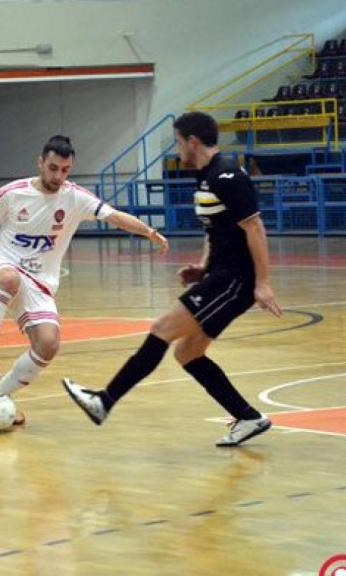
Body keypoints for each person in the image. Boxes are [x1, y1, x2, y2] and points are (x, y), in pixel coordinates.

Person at [61, 111, 283, 447]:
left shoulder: (227, 174)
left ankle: (103, 402)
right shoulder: (207, 175)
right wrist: (203, 267)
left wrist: (262, 283)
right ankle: (249, 417)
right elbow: (217, 230)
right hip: (220, 276)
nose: (177, 149)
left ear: (193, 141)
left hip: (234, 281)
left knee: (161, 330)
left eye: (179, 141)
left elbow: (254, 227)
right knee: (187, 354)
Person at [0, 135, 168, 424]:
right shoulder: (12, 193)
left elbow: (114, 216)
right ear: (40, 162)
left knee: (48, 345)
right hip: (2, 265)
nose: (58, 176)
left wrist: (149, 231)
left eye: (65, 170)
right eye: (53, 168)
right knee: (9, 279)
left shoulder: (74, 197)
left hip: (40, 283)